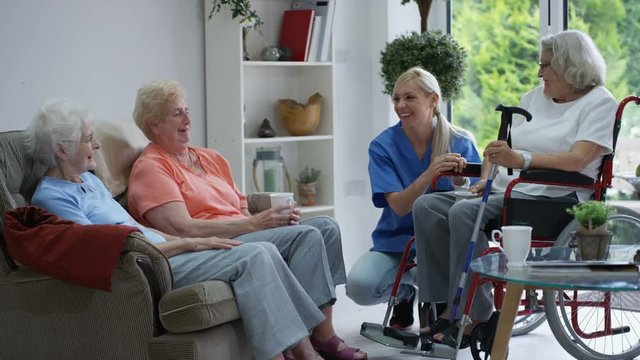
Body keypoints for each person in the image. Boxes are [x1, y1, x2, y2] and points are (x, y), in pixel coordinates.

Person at [26, 98, 328, 360]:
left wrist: (189, 239)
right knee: (255, 255)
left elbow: (133, 226)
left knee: (262, 249)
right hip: (148, 266)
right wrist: (186, 245)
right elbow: (107, 250)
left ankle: (302, 349)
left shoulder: (89, 181)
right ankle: (299, 352)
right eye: (88, 138)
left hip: (164, 249)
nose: (97, 145)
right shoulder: (51, 197)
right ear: (61, 150)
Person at [126, 80, 367, 360]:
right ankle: (314, 340)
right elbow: (182, 227)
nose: (188, 120)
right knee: (306, 236)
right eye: (177, 113)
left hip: (243, 230)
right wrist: (253, 225)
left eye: (187, 110)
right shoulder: (152, 168)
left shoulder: (209, 157)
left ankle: (320, 334)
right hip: (215, 241)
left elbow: (240, 205)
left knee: (326, 227)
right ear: (153, 124)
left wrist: (276, 218)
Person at [412, 29, 617, 347]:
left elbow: (579, 160)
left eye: (545, 65)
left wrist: (520, 159)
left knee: (465, 212)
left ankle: (475, 314)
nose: (539, 72)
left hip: (554, 197)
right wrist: (489, 172)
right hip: (510, 190)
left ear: (569, 66)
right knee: (427, 206)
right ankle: (443, 308)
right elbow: (509, 149)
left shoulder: (600, 103)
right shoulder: (535, 98)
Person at [345, 67, 480, 329]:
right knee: (359, 287)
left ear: (433, 100)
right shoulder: (382, 146)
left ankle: (440, 301)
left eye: (409, 97)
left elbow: (475, 203)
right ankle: (405, 295)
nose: (400, 105)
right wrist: (430, 174)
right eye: (396, 98)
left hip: (446, 247)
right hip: (397, 243)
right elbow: (400, 206)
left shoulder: (461, 142)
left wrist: (460, 182)